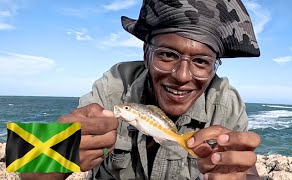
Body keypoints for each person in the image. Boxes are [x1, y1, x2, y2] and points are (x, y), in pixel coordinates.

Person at [22, 0, 261, 179]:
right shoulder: (114, 85)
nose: (182, 76)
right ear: (146, 54)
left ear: (213, 67)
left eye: (201, 61)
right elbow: (26, 169)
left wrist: (236, 172)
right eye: (167, 55)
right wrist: (54, 151)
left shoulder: (227, 103)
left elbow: (248, 171)